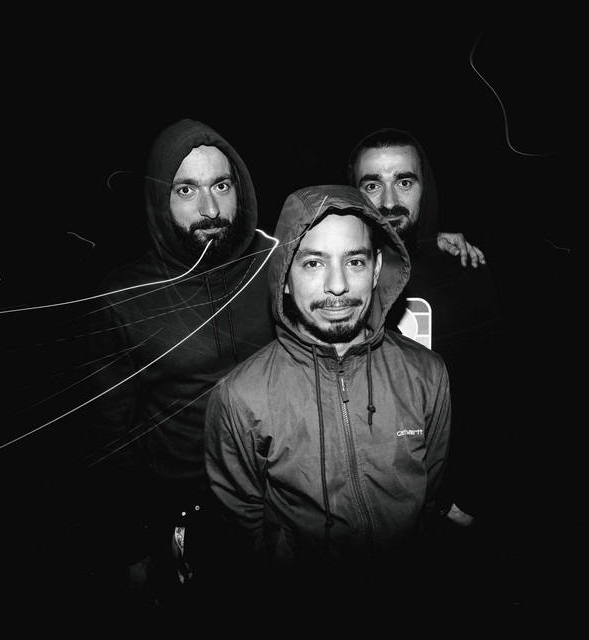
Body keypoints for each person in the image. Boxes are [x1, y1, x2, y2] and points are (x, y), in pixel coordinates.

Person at [204, 184, 451, 605]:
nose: (338, 286)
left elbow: (430, 500)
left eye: (354, 261)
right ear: (284, 275)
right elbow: (242, 534)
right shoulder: (239, 397)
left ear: (376, 269)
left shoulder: (427, 374)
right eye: (314, 263)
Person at [80, 118, 277, 614]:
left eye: (221, 186)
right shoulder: (124, 298)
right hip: (188, 514)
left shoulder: (278, 264)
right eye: (186, 189)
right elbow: (108, 438)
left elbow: (355, 265)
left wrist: (429, 241)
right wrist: (129, 547)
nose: (210, 209)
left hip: (282, 499)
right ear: (158, 199)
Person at [346, 127, 501, 530]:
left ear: (424, 187)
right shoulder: (339, 274)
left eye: (404, 181)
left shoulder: (464, 269)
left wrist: (466, 494)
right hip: (357, 498)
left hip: (443, 503)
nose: (389, 201)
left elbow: (488, 392)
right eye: (372, 185)